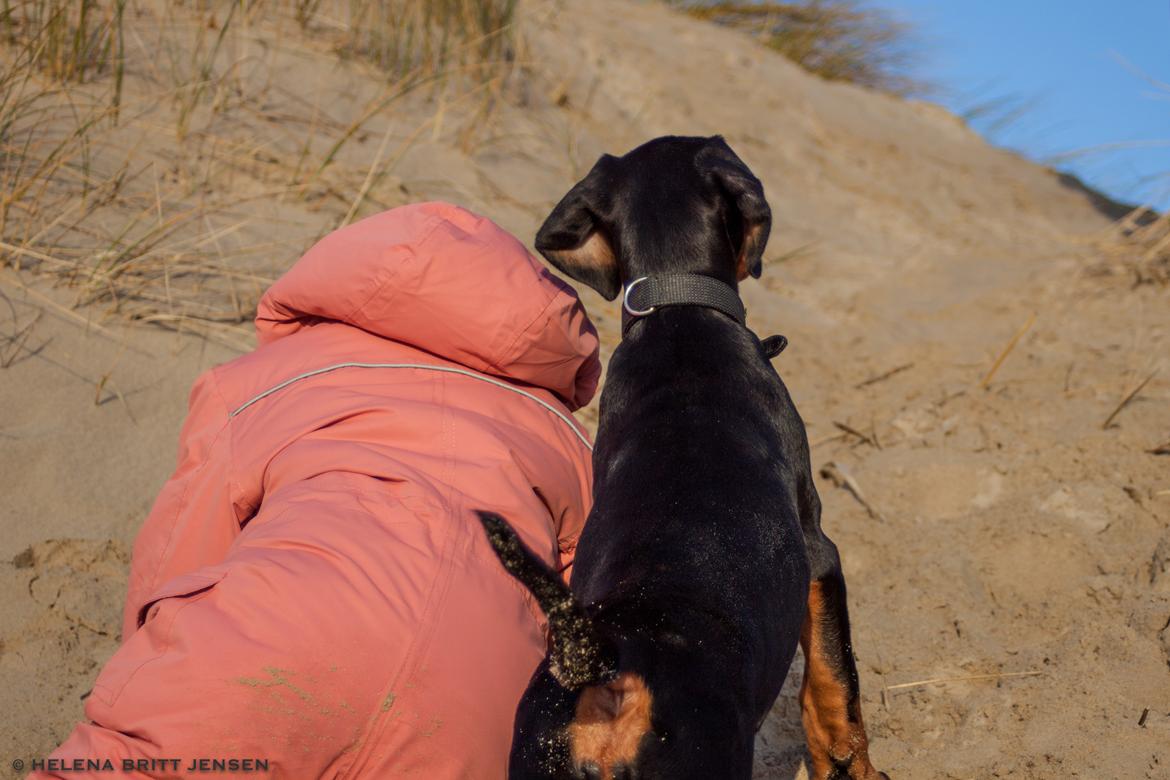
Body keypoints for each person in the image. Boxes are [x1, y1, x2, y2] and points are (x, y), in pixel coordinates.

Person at [33, 202, 600, 779]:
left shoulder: (272, 379)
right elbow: (588, 597)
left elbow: (184, 539)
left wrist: (146, 656)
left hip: (272, 638)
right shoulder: (567, 440)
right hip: (479, 695)